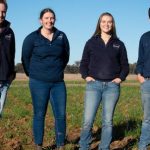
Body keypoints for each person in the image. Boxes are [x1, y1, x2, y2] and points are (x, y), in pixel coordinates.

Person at [79, 12, 129, 150]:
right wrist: (86, 76)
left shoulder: (119, 44)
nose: (106, 24)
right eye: (103, 21)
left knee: (107, 121)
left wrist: (120, 78)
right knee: (88, 120)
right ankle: (84, 146)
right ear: (99, 24)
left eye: (109, 22)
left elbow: (125, 65)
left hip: (112, 88)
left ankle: (104, 147)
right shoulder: (91, 42)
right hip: (93, 86)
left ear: (113, 24)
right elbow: (83, 63)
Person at [21, 8, 69, 150]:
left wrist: (57, 70)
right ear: (40, 20)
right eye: (46, 18)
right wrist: (34, 74)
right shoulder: (32, 38)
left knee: (60, 115)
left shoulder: (61, 36)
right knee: (39, 114)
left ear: (54, 20)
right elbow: (25, 58)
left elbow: (65, 56)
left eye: (52, 18)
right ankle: (39, 145)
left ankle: (60, 145)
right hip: (38, 82)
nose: (49, 20)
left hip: (58, 83)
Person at [136, 8, 150, 150]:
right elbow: (140, 60)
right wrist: (140, 76)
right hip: (147, 82)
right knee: (147, 118)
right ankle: (143, 145)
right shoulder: (144, 37)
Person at [0, 0, 16, 118]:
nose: (1, 14)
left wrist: (11, 75)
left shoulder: (10, 32)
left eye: (3, 11)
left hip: (5, 80)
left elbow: (12, 54)